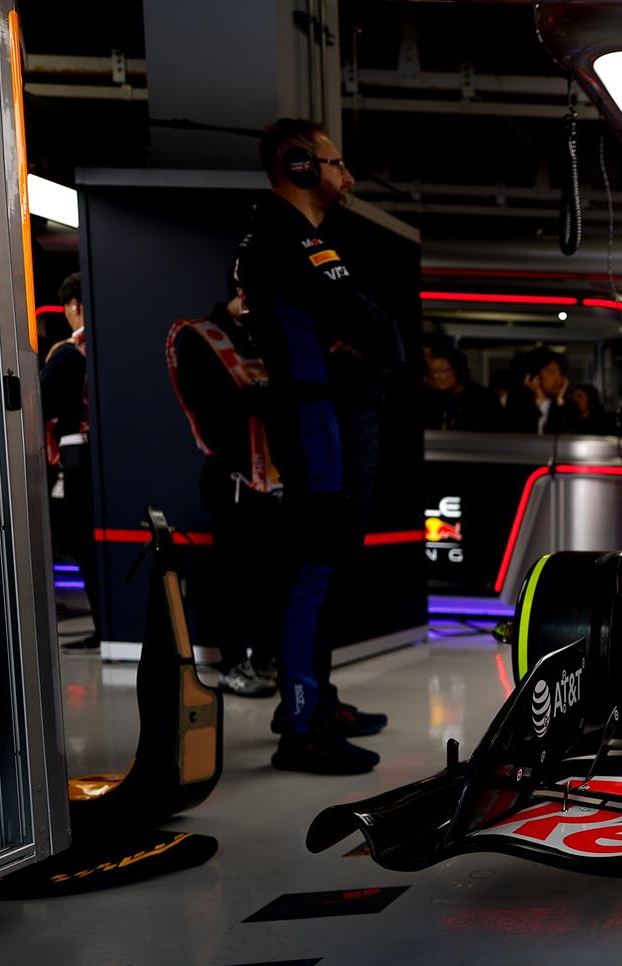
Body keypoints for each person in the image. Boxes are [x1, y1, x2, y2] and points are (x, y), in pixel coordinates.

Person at [236, 116, 399, 773]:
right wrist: (373, 349)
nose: (347, 177)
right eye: (336, 163)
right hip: (312, 423)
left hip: (318, 418)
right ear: (301, 165)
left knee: (324, 570)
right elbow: (369, 326)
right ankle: (301, 728)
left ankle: (316, 703)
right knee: (313, 571)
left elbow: (356, 325)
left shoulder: (285, 236)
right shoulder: (286, 237)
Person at [170, 275, 284, 698]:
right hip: (231, 477)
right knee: (234, 577)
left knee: (273, 578)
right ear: (243, 291)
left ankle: (266, 658)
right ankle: (234, 664)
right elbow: (215, 412)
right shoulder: (200, 337)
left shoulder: (270, 335)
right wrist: (268, 396)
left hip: (278, 477)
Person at [42, 271, 98, 650]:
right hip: (110, 457)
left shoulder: (66, 354)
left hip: (76, 457)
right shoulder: (111, 344)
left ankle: (104, 626)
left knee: (82, 543)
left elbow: (38, 400)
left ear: (74, 306)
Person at [420, 347, 503, 432]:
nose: (436, 376)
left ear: (459, 370)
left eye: (441, 371)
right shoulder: (430, 397)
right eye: (433, 371)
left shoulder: (485, 399)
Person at [508, 347, 575, 433]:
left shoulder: (567, 406)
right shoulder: (518, 403)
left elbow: (568, 434)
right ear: (536, 376)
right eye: (550, 372)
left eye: (560, 373)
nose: (557, 379)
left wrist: (560, 401)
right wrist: (538, 402)